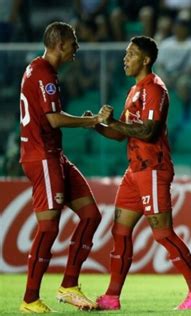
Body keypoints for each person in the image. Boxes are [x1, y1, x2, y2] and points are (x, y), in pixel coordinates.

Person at [89, 36, 191, 310]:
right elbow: (121, 134)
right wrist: (96, 124)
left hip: (153, 169)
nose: (125, 58)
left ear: (145, 60)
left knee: (163, 233)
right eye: (125, 53)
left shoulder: (155, 89)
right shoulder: (134, 91)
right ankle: (111, 297)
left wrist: (115, 122)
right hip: (134, 171)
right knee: (119, 231)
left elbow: (149, 130)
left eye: (131, 54)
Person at [18, 21, 107, 313]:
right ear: (59, 44)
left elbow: (50, 118)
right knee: (49, 227)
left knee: (91, 215)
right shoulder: (44, 75)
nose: (76, 47)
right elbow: (54, 120)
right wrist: (90, 121)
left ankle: (68, 285)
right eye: (73, 42)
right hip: (41, 156)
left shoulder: (41, 69)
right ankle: (30, 299)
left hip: (54, 155)